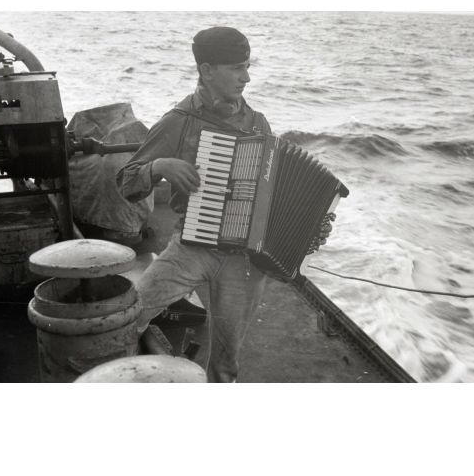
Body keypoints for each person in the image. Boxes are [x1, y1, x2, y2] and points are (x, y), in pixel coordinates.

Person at [117, 26, 329, 383]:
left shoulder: (258, 124)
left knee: (226, 364)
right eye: (237, 68)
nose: (246, 78)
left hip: (243, 262)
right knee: (128, 316)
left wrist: (310, 225)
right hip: (191, 247)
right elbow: (126, 181)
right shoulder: (178, 122)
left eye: (247, 67)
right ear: (207, 70)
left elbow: (275, 194)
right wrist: (158, 167)